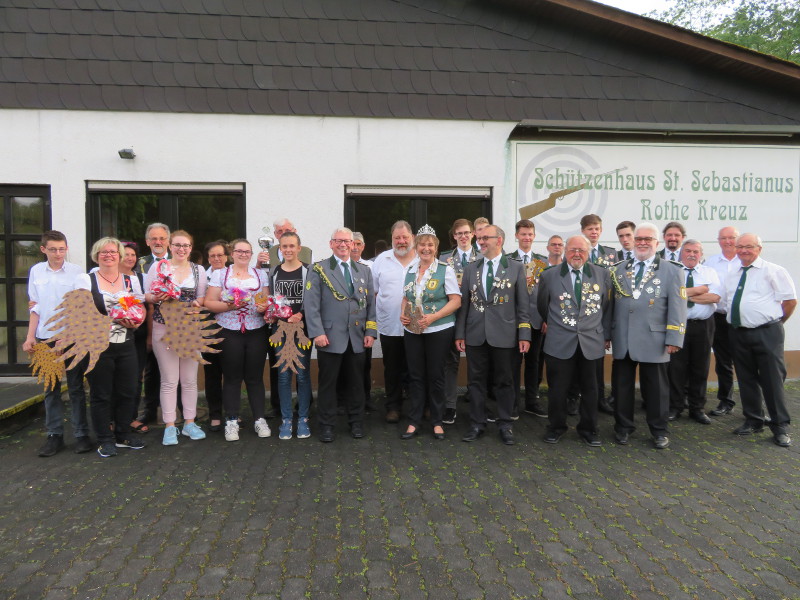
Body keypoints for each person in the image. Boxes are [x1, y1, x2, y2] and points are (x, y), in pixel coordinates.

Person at [609, 222, 687, 449]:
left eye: (648, 239)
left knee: (656, 390)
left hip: (655, 340)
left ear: (657, 243)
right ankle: (623, 427)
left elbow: (678, 308)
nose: (642, 243)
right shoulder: (618, 269)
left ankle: (659, 430)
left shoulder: (673, 270)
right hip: (623, 339)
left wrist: (674, 338)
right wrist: (607, 334)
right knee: (621, 389)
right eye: (639, 239)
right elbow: (610, 305)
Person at [455, 224, 531, 446]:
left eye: (485, 238)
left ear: (499, 240)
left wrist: (524, 335)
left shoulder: (516, 268)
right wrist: (460, 333)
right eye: (479, 238)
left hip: (505, 334)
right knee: (475, 382)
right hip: (476, 334)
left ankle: (505, 423)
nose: (480, 242)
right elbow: (465, 305)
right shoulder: (471, 268)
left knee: (505, 381)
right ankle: (477, 423)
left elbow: (522, 306)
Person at [537, 235, 612, 446]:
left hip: (591, 341)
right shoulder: (550, 275)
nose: (576, 254)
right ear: (565, 252)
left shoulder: (602, 274)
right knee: (557, 390)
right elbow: (543, 306)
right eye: (572, 250)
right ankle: (556, 427)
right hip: (559, 342)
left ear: (588, 252)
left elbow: (605, 306)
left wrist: (601, 332)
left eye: (581, 250)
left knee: (591, 389)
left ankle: (589, 429)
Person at [74, 237, 146, 458]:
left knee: (128, 391)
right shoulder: (85, 279)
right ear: (96, 255)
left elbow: (139, 307)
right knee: (101, 394)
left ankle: (123, 433)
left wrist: (137, 320)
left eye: (113, 252)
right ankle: (105, 439)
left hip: (126, 343)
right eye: (103, 252)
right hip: (97, 346)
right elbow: (80, 313)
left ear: (120, 256)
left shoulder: (129, 280)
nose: (109, 255)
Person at [22, 230, 91, 457]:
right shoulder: (35, 272)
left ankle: (81, 435)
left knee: (76, 388)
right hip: (45, 339)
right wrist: (30, 336)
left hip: (71, 339)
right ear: (44, 250)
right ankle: (54, 436)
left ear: (66, 248)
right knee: (50, 389)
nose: (58, 253)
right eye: (53, 249)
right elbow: (35, 307)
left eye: (62, 249)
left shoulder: (76, 273)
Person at [305, 227, 377, 442]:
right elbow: (311, 305)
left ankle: (356, 422)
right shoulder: (319, 269)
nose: (343, 245)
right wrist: (317, 332)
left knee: (357, 383)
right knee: (328, 384)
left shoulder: (363, 271)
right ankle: (326, 425)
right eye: (338, 241)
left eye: (347, 241)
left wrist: (371, 330)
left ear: (353, 244)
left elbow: (371, 305)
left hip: (357, 337)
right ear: (331, 244)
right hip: (329, 336)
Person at [724, 233, 796, 447]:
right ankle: (754, 420)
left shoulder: (774, 271)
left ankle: (780, 426)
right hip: (738, 333)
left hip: (767, 332)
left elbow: (790, 301)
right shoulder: (733, 272)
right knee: (746, 379)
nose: (744, 250)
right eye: (740, 246)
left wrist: (775, 322)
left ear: (759, 249)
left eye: (749, 247)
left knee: (772, 380)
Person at [144, 230, 207, 446]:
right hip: (164, 327)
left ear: (191, 248)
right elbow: (147, 295)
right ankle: (170, 425)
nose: (182, 249)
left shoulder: (198, 270)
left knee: (189, 380)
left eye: (186, 245)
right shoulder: (159, 267)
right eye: (178, 245)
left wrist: (198, 304)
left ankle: (189, 422)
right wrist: (157, 296)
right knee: (169, 380)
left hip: (189, 328)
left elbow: (201, 298)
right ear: (171, 246)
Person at [204, 239, 271, 442]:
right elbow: (209, 303)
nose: (243, 254)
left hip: (256, 330)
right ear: (232, 253)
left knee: (255, 377)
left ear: (251, 254)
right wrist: (229, 306)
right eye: (239, 251)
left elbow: (265, 301)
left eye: (247, 251)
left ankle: (259, 418)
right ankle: (231, 420)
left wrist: (263, 307)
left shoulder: (261, 274)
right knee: (232, 377)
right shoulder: (220, 274)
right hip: (229, 329)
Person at [398, 226, 461, 440]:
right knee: (415, 376)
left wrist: (434, 317)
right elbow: (406, 297)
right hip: (413, 330)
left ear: (436, 248)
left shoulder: (446, 270)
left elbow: (456, 300)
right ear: (416, 247)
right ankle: (414, 421)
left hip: (439, 329)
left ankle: (436, 421)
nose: (426, 248)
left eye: (430, 245)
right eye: (422, 244)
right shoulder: (410, 270)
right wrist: (402, 314)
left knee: (436, 376)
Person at [667, 240, 721, 424]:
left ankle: (697, 408)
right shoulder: (673, 271)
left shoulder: (709, 272)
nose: (691, 254)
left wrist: (682, 294)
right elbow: (668, 296)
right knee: (676, 367)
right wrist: (699, 290)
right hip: (678, 325)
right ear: (681, 253)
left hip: (703, 325)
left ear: (701, 254)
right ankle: (675, 406)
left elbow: (715, 297)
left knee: (700, 367)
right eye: (688, 251)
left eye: (695, 251)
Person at [371, 221, 417, 423]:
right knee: (392, 369)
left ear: (412, 237)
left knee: (417, 368)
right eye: (397, 238)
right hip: (389, 325)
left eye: (405, 237)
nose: (401, 241)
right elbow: (373, 292)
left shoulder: (422, 259)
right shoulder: (381, 260)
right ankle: (393, 407)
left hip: (418, 326)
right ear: (391, 239)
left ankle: (419, 407)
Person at [269, 231, 313, 440]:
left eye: (291, 246)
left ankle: (303, 417)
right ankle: (287, 419)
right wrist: (271, 314)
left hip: (302, 330)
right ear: (280, 248)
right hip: (280, 331)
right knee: (284, 375)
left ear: (298, 248)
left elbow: (312, 299)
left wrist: (301, 314)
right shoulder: (275, 272)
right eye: (284, 246)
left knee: (303, 375)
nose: (287, 250)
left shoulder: (307, 271)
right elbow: (271, 300)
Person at [439, 218, 479, 425]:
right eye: (459, 233)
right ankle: (450, 406)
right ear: (454, 236)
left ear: (473, 234)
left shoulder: (482, 257)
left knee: (477, 363)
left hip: (476, 317)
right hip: (452, 316)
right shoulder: (444, 258)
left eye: (466, 233)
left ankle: (478, 406)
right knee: (450, 362)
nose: (463, 236)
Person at [506, 219, 546, 418]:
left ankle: (532, 400)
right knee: (513, 363)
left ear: (534, 236)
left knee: (534, 363)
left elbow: (548, 293)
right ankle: (512, 403)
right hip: (514, 322)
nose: (527, 238)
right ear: (516, 236)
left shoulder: (542, 262)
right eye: (523, 234)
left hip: (537, 320)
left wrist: (546, 317)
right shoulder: (507, 260)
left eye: (530, 234)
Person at [580, 213, 616, 414]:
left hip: (600, 316)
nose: (594, 232)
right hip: (580, 315)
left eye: (597, 229)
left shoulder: (610, 255)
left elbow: (613, 293)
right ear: (583, 231)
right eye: (590, 229)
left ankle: (600, 399)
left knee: (598, 362)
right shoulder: (577, 252)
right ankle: (575, 398)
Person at [137, 223, 171, 427]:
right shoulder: (139, 264)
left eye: (162, 238)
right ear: (147, 241)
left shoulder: (178, 260)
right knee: (151, 370)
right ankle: (149, 410)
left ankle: (178, 411)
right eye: (154, 239)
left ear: (168, 240)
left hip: (175, 323)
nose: (158, 242)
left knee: (173, 368)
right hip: (147, 321)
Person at [704, 226, 741, 416]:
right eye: (723, 238)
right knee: (723, 362)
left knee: (746, 362)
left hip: (741, 319)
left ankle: (756, 406)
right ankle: (726, 401)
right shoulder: (711, 263)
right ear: (718, 241)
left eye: (731, 238)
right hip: (718, 318)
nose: (727, 242)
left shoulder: (745, 261)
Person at [120, 241, 150, 434]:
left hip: (139, 331)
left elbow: (149, 303)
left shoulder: (142, 277)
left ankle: (131, 417)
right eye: (126, 255)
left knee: (136, 377)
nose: (130, 258)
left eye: (133, 255)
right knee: (117, 378)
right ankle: (114, 419)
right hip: (117, 332)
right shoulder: (108, 277)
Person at [202, 240, 229, 432]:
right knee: (212, 374)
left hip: (232, 330)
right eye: (213, 256)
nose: (217, 259)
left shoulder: (235, 274)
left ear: (227, 257)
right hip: (208, 328)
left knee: (232, 374)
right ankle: (215, 414)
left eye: (220, 255)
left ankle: (231, 413)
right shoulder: (202, 277)